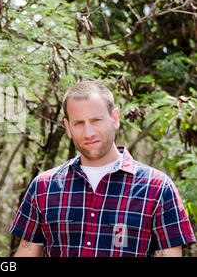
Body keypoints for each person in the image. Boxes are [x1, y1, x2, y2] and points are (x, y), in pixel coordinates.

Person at [10, 80, 196, 257]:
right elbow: (27, 252)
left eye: (96, 120)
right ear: (68, 127)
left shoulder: (157, 188)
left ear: (114, 118)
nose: (89, 132)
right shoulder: (44, 187)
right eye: (79, 123)